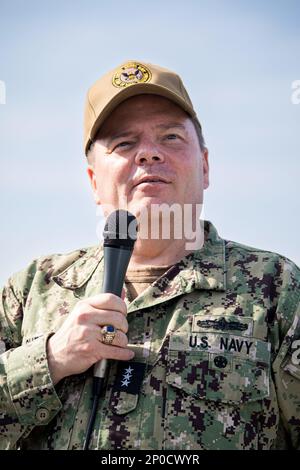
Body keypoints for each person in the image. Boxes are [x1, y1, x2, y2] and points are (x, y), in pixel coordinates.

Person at [0, 60, 299, 450]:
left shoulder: (276, 287)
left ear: (205, 167)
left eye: (171, 137)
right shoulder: (32, 290)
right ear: (93, 181)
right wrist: (52, 359)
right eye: (124, 143)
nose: (149, 154)